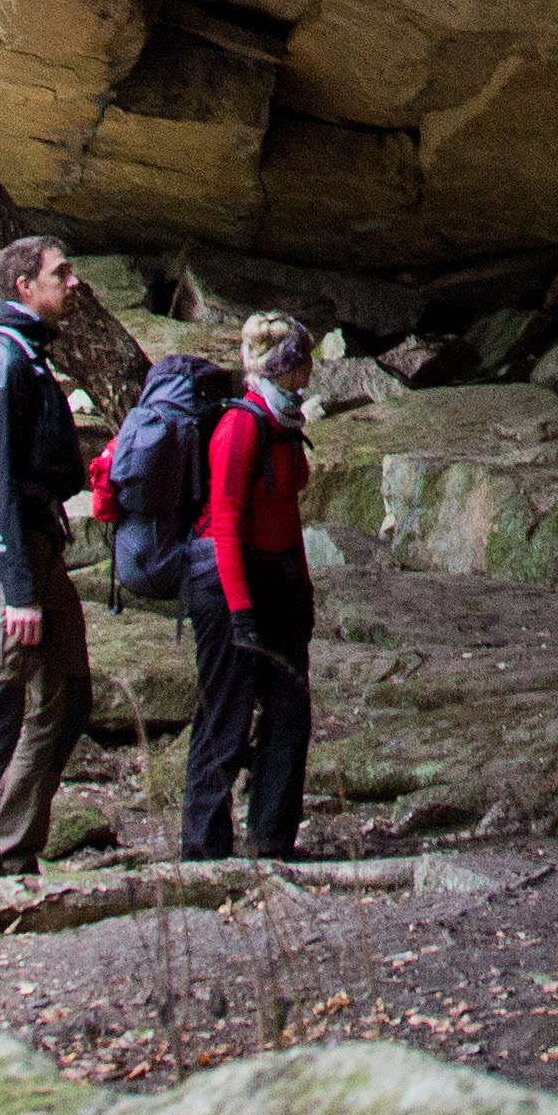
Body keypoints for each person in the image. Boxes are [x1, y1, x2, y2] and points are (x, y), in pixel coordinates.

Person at [0, 235, 93, 876]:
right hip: (6, 551)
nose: (74, 281)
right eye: (62, 272)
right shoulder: (2, 363)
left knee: (69, 697)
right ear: (25, 287)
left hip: (35, 543)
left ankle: (13, 846)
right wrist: (18, 591)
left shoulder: (25, 357)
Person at [179, 312, 316, 861]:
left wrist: (301, 592)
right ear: (285, 367)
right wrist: (240, 612)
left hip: (278, 578)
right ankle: (203, 848)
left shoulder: (285, 422)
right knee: (226, 714)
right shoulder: (242, 425)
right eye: (303, 361)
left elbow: (285, 510)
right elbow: (226, 521)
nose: (309, 371)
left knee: (289, 710)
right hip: (228, 582)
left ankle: (271, 840)